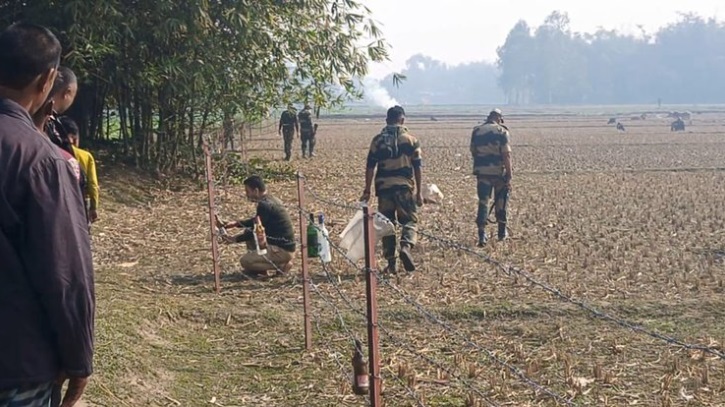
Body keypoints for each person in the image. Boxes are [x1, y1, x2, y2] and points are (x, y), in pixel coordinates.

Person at [0, 23, 95, 407]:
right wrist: (78, 359)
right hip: (16, 369)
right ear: (47, 81)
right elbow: (65, 274)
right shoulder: (39, 159)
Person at [361, 105, 423, 274]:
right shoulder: (411, 140)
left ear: (387, 120)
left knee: (387, 225)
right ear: (402, 120)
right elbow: (417, 167)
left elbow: (370, 167)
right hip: (404, 188)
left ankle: (391, 262)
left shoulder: (377, 140)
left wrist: (367, 190)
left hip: (384, 189)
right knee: (410, 220)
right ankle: (406, 246)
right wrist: (419, 192)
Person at [216, 176, 296, 276]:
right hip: (282, 245)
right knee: (248, 235)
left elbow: (256, 229)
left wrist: (234, 239)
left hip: (282, 250)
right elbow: (257, 221)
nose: (246, 195)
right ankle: (261, 268)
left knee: (245, 261)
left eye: (247, 191)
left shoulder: (264, 205)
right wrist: (237, 224)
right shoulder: (272, 200)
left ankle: (281, 265)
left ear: (256, 191)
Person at [470, 108, 513, 246]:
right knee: (501, 201)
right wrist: (509, 174)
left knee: (483, 202)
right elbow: (506, 154)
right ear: (499, 118)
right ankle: (501, 232)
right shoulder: (502, 132)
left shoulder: (477, 131)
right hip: (498, 173)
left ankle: (482, 234)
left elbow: (473, 151)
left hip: (482, 173)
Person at [60, 116, 100, 224]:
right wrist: (93, 207)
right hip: (80, 201)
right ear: (73, 137)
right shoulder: (86, 156)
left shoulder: (49, 152)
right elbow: (93, 184)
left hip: (58, 201)